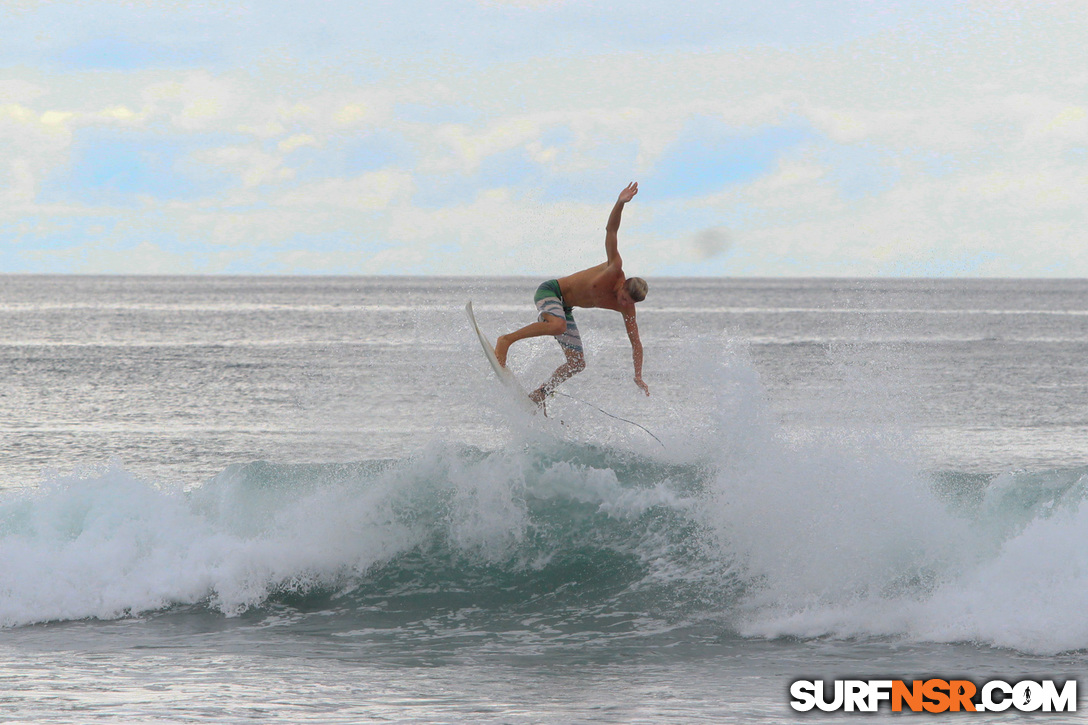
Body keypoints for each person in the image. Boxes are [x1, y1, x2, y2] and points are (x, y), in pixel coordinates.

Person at [495, 182, 649, 405]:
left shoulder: (627, 307)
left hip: (564, 309)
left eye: (628, 302)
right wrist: (619, 204)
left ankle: (540, 393)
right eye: (623, 296)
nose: (622, 302)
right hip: (550, 291)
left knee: (577, 363)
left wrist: (638, 375)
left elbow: (636, 342)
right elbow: (611, 231)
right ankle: (505, 341)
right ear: (623, 283)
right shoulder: (614, 268)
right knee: (559, 325)